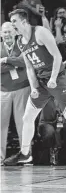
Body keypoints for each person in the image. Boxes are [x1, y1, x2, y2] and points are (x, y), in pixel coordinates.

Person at [3, 9, 66, 175]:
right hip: (42, 81)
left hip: (59, 78)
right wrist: (34, 88)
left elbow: (57, 57)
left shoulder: (40, 33)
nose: (12, 25)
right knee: (28, 117)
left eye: (14, 21)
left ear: (24, 21)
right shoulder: (20, 41)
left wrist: (53, 78)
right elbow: (29, 67)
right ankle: (25, 153)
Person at [1, 22, 30, 165]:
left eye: (10, 31)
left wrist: (6, 61)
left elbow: (25, 61)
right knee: (1, 125)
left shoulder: (22, 45)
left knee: (23, 123)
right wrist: (15, 64)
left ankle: (26, 155)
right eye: (4, 32)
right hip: (3, 90)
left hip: (22, 88)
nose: (7, 35)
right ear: (0, 34)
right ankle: (0, 157)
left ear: (16, 32)